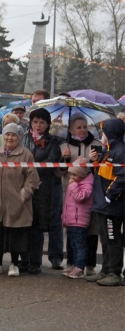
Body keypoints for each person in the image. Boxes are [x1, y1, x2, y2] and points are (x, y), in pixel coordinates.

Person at [0, 123, 40, 277]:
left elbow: (32, 179)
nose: (9, 137)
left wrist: (22, 195)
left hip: (17, 202)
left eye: (13, 135)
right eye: (7, 134)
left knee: (15, 234)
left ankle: (14, 264)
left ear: (19, 137)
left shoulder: (26, 155)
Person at [23, 108, 64, 273]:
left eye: (42, 122)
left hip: (44, 187)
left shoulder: (53, 141)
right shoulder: (24, 138)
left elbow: (52, 161)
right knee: (24, 223)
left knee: (38, 225)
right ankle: (24, 259)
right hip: (25, 185)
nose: (38, 125)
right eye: (35, 122)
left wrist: (33, 172)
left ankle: (35, 261)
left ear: (48, 125)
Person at [62, 114, 100, 277]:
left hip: (90, 192)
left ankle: (89, 264)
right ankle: (72, 261)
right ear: (71, 129)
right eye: (78, 127)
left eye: (85, 126)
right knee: (73, 232)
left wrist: (95, 160)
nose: (83, 130)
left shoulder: (95, 144)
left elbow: (101, 168)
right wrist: (64, 159)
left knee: (91, 231)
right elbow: (59, 170)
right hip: (69, 191)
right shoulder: (64, 145)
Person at [89, 118, 124, 286]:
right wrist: (94, 161)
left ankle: (115, 272)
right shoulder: (108, 150)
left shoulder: (120, 151)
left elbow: (122, 177)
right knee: (105, 239)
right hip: (103, 205)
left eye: (104, 131)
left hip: (112, 205)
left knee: (113, 238)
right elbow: (100, 173)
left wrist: (110, 196)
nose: (102, 134)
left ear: (109, 133)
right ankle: (105, 270)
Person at [62, 160, 94, 279]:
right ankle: (75, 264)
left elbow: (80, 197)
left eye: (74, 175)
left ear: (81, 175)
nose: (72, 178)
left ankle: (80, 267)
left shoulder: (87, 185)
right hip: (72, 220)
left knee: (80, 245)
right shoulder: (76, 184)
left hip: (79, 221)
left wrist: (73, 185)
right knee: (73, 245)